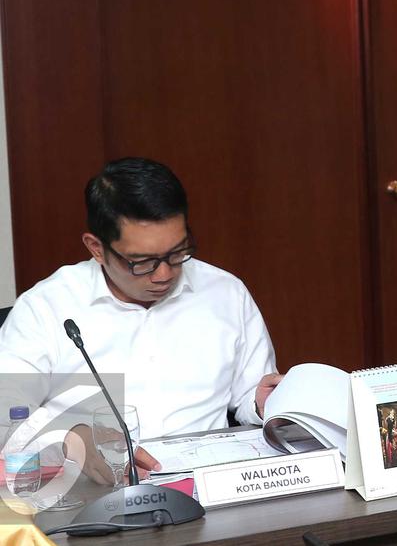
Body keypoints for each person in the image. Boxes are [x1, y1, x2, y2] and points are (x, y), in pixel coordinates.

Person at [0, 158, 281, 485]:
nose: (164, 274)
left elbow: (249, 395)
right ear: (97, 248)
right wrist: (70, 439)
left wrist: (263, 402)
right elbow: (6, 414)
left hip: (210, 487)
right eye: (142, 262)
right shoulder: (46, 307)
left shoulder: (225, 293)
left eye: (178, 253)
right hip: (92, 491)